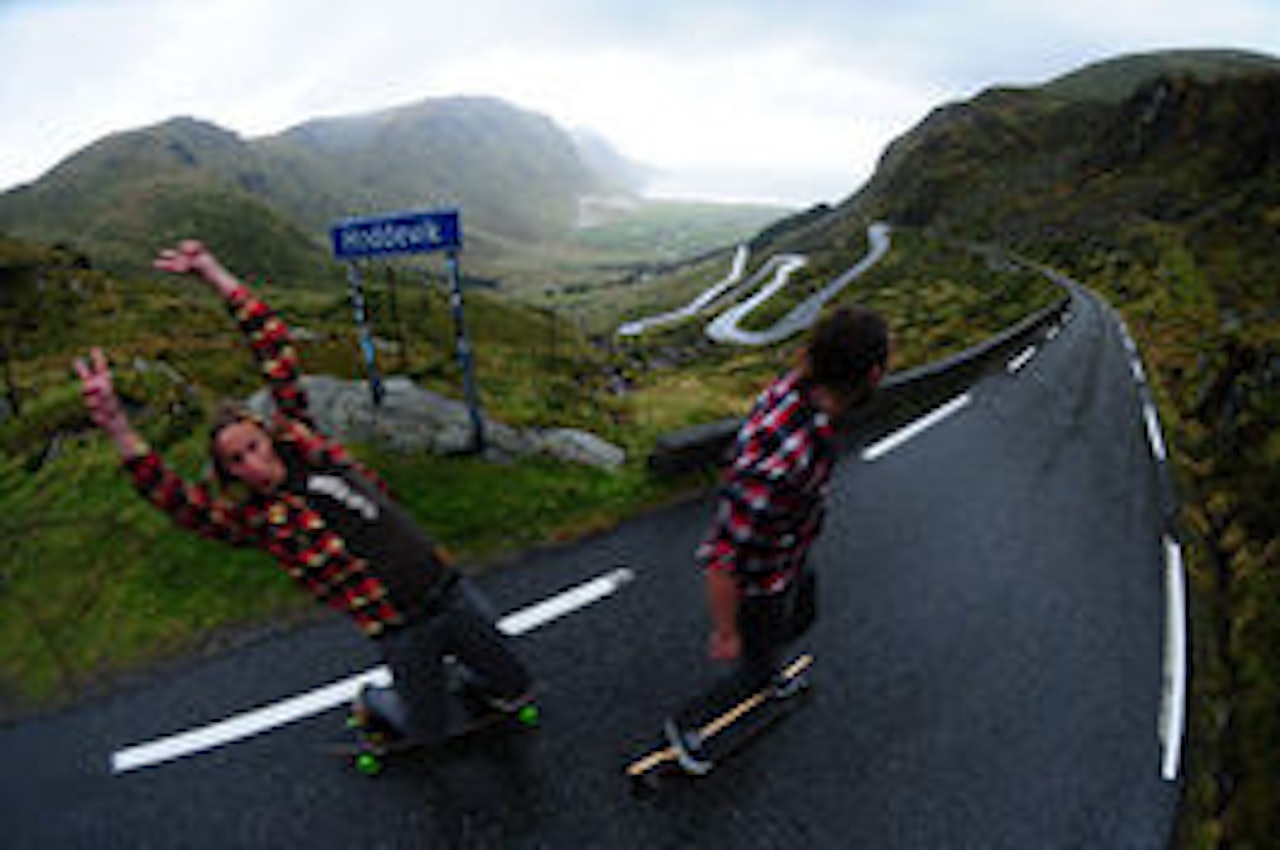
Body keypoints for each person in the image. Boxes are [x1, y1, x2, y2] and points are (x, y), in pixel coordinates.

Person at [75, 240, 532, 744]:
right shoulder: (255, 521)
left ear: (266, 434)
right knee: (428, 732)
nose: (252, 464)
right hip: (401, 626)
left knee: (516, 687)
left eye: (252, 446)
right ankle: (379, 701)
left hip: (447, 586)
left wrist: (210, 270)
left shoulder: (304, 442)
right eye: (235, 462)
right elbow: (173, 498)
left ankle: (470, 675)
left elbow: (272, 344)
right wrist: (116, 424)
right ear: (228, 474)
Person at [664, 305, 889, 773]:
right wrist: (725, 630)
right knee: (756, 656)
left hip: (790, 551)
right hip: (760, 578)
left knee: (804, 609)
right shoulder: (779, 467)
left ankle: (765, 659)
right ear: (872, 375)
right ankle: (687, 727)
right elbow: (723, 555)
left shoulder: (804, 387)